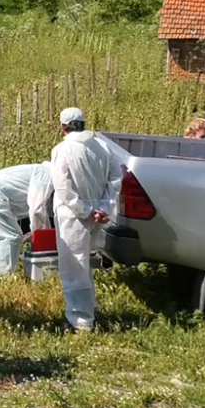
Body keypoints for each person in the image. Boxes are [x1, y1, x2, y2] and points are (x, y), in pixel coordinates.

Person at [51, 108, 122, 332]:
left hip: (73, 215)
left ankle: (80, 321)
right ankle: (89, 308)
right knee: (86, 266)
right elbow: (115, 178)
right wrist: (102, 207)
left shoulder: (63, 150)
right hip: (96, 215)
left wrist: (85, 210)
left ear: (63, 127)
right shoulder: (102, 147)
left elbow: (63, 187)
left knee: (74, 268)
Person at [0, 163, 54, 277]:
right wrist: (42, 238)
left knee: (0, 239)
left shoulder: (44, 172)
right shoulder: (48, 174)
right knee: (10, 237)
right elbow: (37, 209)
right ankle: (4, 281)